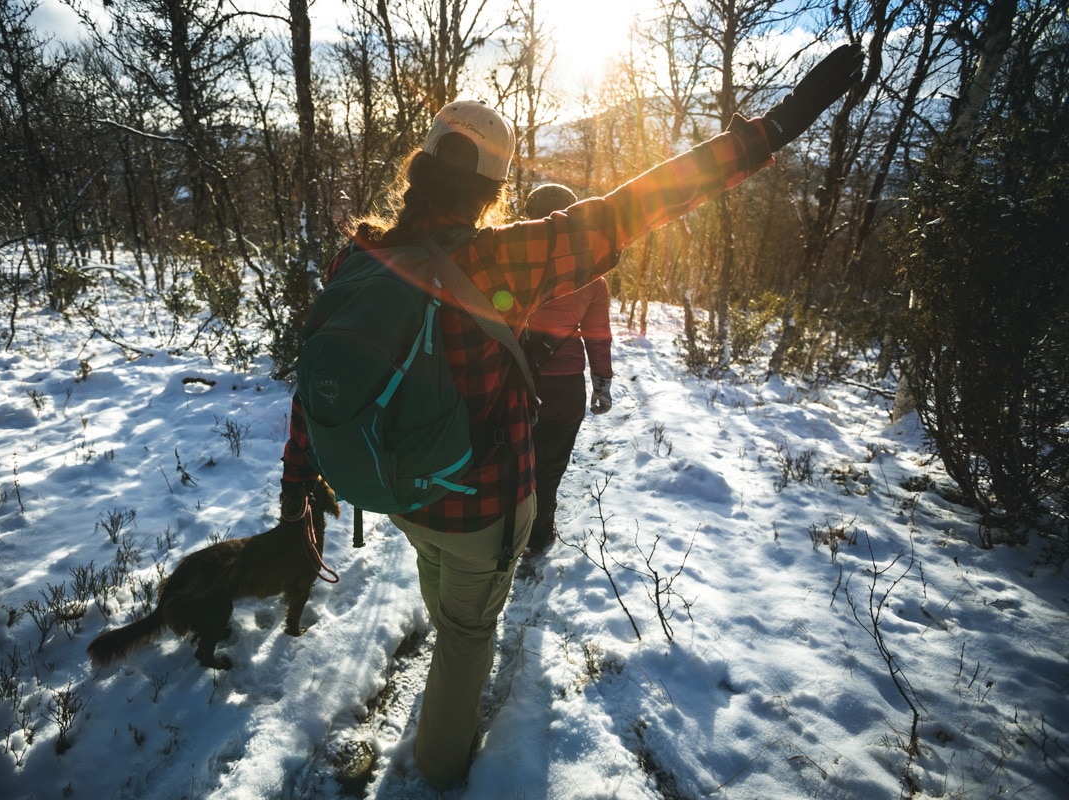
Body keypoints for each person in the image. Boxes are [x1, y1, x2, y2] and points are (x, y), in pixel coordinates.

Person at [280, 42, 863, 787]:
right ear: (491, 193)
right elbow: (639, 203)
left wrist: (295, 487)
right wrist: (775, 127)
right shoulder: (503, 261)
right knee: (466, 635)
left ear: (420, 170)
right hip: (482, 504)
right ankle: (434, 771)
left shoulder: (358, 258)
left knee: (444, 586)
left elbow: (316, 381)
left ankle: (441, 670)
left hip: (404, 493)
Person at [521, 184, 615, 555]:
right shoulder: (592, 272)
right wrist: (602, 385)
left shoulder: (510, 260)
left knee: (506, 460)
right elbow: (598, 336)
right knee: (549, 466)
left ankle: (501, 531)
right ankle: (539, 533)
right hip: (564, 390)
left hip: (512, 380)